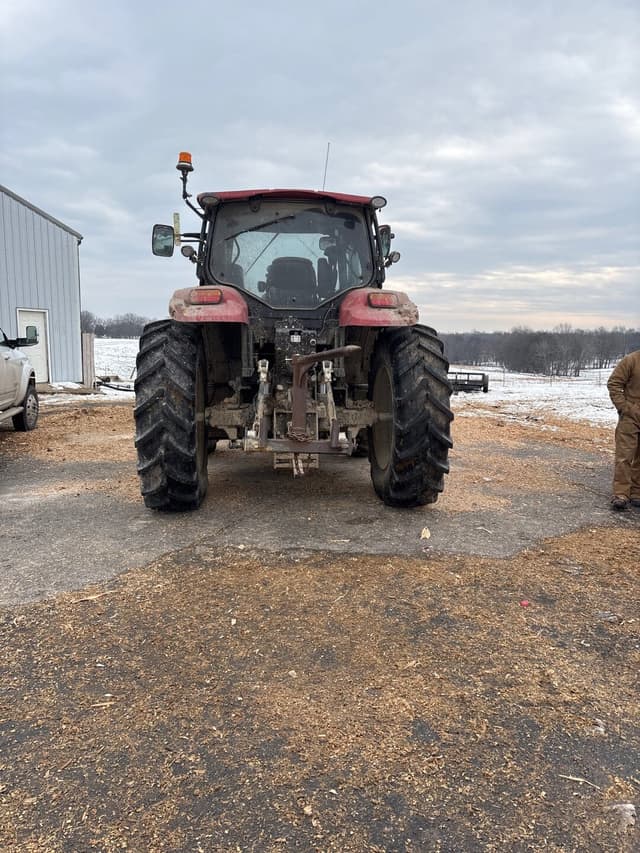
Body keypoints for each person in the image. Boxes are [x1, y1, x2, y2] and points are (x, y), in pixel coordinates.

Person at [607, 349, 640, 510]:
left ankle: (637, 492)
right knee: (624, 455)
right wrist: (625, 408)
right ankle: (621, 493)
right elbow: (614, 383)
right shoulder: (631, 360)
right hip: (630, 417)